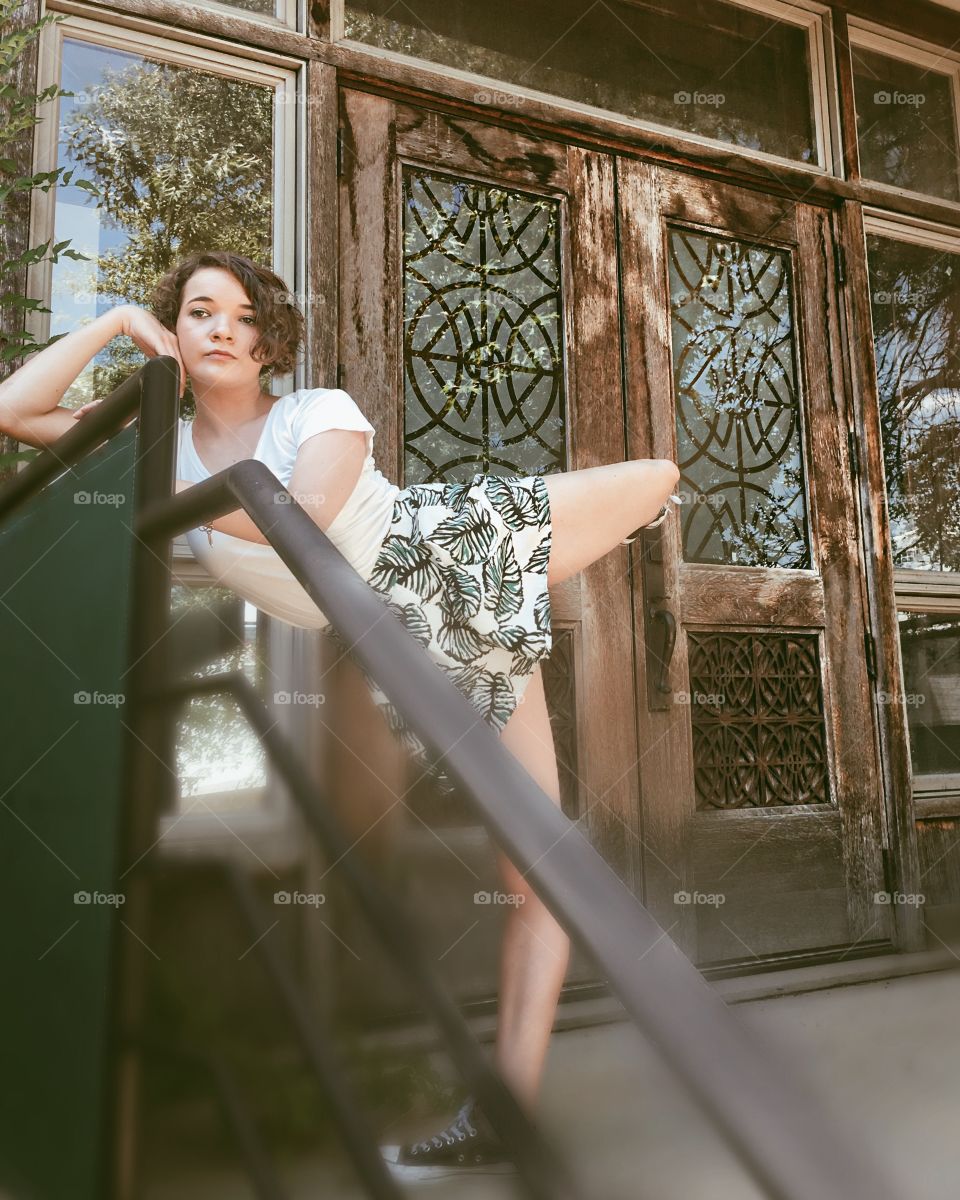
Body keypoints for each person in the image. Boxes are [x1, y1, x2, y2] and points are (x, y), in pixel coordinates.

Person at [0, 251, 681, 1177]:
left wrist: (192, 498)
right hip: (402, 646)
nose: (223, 330)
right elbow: (12, 413)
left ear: (269, 338)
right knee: (532, 874)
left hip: (452, 552)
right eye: (199, 312)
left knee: (655, 477)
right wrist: (120, 323)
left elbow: (308, 516)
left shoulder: (315, 411)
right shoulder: (157, 454)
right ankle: (501, 1116)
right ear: (178, 331)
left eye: (244, 317)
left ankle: (504, 1109)